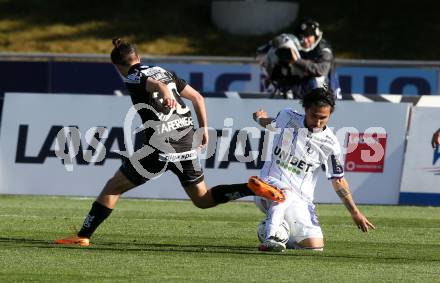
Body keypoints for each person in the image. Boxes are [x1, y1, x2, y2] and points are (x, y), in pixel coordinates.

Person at [54, 38, 285, 247]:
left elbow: (155, 85)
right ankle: (249, 188)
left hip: (159, 146)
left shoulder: (133, 75)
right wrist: (203, 128)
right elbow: (198, 98)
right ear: (139, 57)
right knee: (202, 199)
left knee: (112, 188)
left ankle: (83, 236)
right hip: (186, 141)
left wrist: (163, 92)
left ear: (117, 66)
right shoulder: (163, 70)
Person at [252, 87, 375, 252]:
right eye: (314, 117)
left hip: (301, 200)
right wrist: (259, 118)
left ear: (330, 114)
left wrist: (355, 212)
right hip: (267, 187)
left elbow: (338, 180)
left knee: (315, 247)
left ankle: (279, 232)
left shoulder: (330, 144)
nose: (317, 123)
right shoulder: (287, 116)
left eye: (323, 118)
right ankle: (271, 237)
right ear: (306, 110)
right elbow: (272, 124)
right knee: (285, 193)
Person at [257, 18, 340, 99]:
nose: (305, 40)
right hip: (300, 92)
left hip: (325, 95)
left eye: (308, 36)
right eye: (302, 37)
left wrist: (296, 61)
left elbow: (321, 70)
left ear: (316, 35)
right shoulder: (294, 46)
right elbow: (261, 52)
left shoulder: (324, 49)